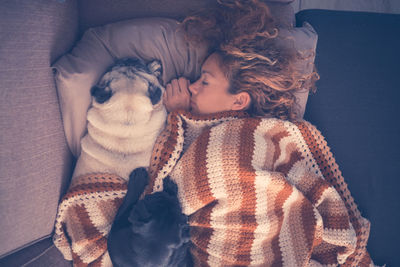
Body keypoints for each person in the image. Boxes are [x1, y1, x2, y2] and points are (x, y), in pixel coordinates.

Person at [146, 0, 373, 266]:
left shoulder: (274, 136)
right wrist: (180, 116)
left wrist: (178, 116)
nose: (193, 87)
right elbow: (172, 196)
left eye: (204, 81)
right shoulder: (196, 133)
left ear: (239, 101)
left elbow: (162, 197)